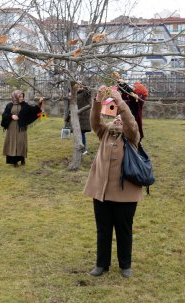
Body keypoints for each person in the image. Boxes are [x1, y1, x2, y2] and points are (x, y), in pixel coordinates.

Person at [83, 85, 143, 278]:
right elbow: (94, 121)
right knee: (103, 229)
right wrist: (98, 99)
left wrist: (120, 101)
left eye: (121, 118)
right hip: (101, 191)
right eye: (115, 117)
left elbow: (131, 123)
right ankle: (102, 264)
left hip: (126, 194)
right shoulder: (104, 133)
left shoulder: (132, 137)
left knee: (124, 230)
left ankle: (125, 265)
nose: (118, 119)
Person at [1, 90, 43, 166]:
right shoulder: (9, 105)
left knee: (21, 143)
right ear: (15, 97)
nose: (22, 98)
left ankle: (22, 159)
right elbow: (4, 115)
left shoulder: (24, 105)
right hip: (12, 128)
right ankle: (14, 161)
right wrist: (11, 116)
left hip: (21, 127)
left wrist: (40, 103)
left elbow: (33, 110)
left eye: (22, 96)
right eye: (20, 96)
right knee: (13, 143)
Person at [64, 82, 92, 154]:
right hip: (76, 116)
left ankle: (83, 149)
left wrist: (83, 86)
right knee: (78, 133)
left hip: (82, 117)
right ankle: (81, 148)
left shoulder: (84, 93)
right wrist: (67, 118)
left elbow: (89, 91)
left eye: (79, 86)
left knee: (81, 133)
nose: (78, 87)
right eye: (77, 86)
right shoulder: (74, 94)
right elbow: (71, 106)